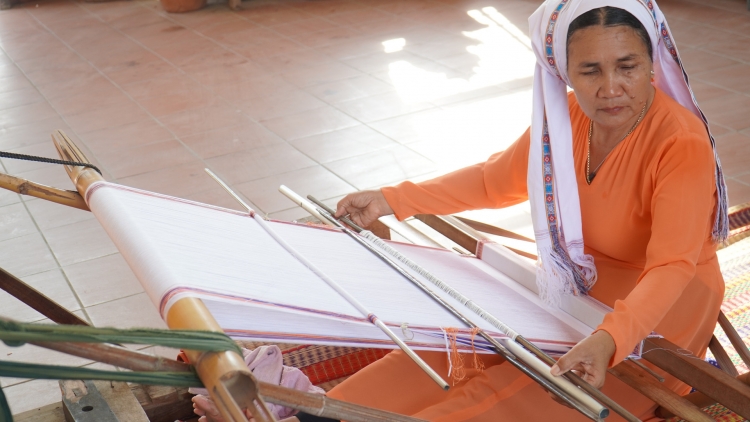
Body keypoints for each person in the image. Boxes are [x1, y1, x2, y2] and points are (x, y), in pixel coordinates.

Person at [326, 1, 728, 421]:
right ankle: (324, 414)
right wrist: (392, 199)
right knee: (462, 352)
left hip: (658, 316)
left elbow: (670, 266)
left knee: (504, 399)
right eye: (590, 70)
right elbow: (493, 180)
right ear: (564, 72)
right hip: (577, 292)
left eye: (627, 66)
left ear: (651, 65)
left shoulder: (680, 142)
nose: (610, 87)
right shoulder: (567, 118)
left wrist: (610, 339)